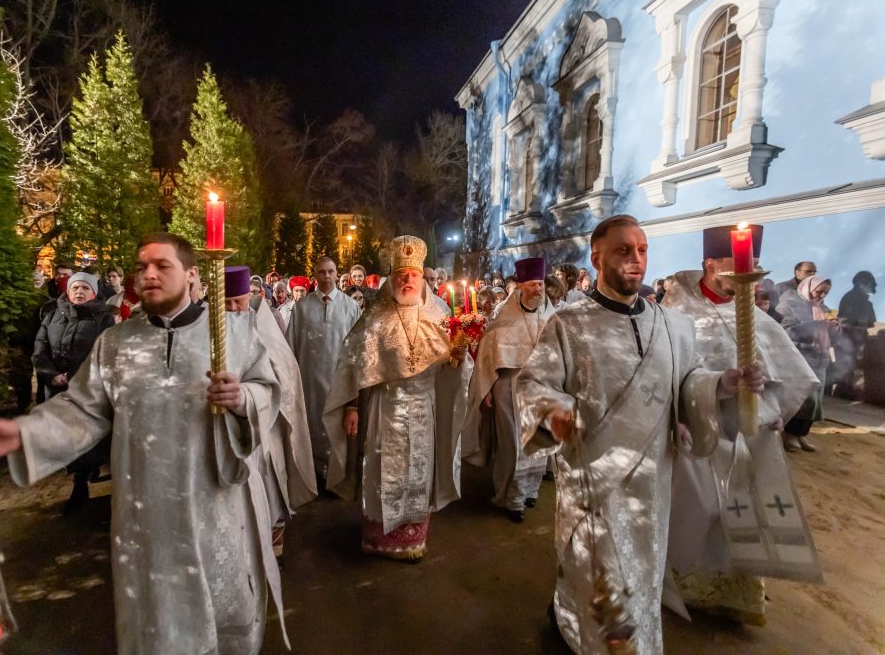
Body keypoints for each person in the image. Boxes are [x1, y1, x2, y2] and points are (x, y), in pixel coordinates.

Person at [0, 233, 288, 655]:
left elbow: (267, 388)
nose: (149, 274)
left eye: (162, 266)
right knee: (158, 624)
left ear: (192, 275)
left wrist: (242, 397)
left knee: (222, 607)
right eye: (142, 267)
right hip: (146, 514)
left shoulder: (234, 335)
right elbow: (81, 409)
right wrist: (24, 433)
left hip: (216, 504)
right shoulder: (116, 344)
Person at [516, 214, 763, 654]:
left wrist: (723, 384)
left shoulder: (672, 325)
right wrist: (554, 412)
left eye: (642, 250)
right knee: (598, 573)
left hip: (652, 484)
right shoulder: (568, 324)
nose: (636, 259)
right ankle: (584, 634)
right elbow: (534, 383)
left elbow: (688, 381)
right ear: (596, 258)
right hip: (592, 480)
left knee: (641, 572)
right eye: (623, 250)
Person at [661, 225, 822, 626]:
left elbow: (783, 370)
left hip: (747, 430)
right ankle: (690, 586)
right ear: (710, 265)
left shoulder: (754, 315)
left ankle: (736, 591)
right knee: (700, 508)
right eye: (735, 268)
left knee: (743, 508)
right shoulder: (676, 312)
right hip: (699, 427)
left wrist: (773, 408)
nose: (746, 277)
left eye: (751, 269)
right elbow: (665, 375)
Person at [324, 236, 460, 562]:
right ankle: (378, 538)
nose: (407, 280)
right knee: (383, 468)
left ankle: (413, 538)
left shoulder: (441, 313)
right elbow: (355, 364)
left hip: (424, 406)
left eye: (413, 274)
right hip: (384, 407)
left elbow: (452, 366)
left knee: (418, 470)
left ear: (422, 277)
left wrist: (458, 356)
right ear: (392, 276)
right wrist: (352, 407)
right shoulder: (375, 316)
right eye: (401, 274)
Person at [225, 267, 317, 561]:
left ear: (250, 299)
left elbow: (285, 373)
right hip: (225, 431)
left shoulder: (264, 325)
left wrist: (256, 395)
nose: (233, 309)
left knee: (268, 483)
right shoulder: (211, 330)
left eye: (238, 302)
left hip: (266, 424)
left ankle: (274, 545)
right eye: (226, 303)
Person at [464, 257, 555, 523]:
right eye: (533, 284)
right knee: (513, 444)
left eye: (541, 284)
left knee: (540, 443)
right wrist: (487, 390)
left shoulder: (549, 314)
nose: (538, 289)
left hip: (541, 386)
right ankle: (511, 497)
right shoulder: (504, 316)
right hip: (509, 386)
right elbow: (487, 356)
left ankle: (530, 490)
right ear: (521, 286)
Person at [33, 271, 115, 514]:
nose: (79, 291)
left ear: (94, 292)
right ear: (68, 291)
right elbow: (40, 349)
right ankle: (80, 477)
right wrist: (51, 374)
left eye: (85, 288)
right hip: (58, 389)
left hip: (88, 390)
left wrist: (82, 376)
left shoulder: (103, 318)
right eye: (75, 287)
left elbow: (106, 352)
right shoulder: (52, 316)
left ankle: (84, 484)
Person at [287, 256, 362, 482]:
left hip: (340, 384)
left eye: (331, 271)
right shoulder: (301, 308)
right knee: (310, 427)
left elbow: (358, 349)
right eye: (322, 272)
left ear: (337, 273)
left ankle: (337, 479)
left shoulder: (351, 307)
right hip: (309, 383)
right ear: (315, 275)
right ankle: (313, 477)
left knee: (337, 431)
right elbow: (291, 348)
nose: (327, 276)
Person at [778, 275, 835, 452]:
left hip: (819, 358)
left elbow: (827, 333)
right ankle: (788, 434)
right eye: (819, 291)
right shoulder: (789, 304)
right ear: (808, 287)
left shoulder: (823, 308)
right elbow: (785, 331)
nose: (822, 296)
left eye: (825, 293)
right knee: (803, 397)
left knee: (816, 399)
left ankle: (800, 433)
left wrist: (834, 328)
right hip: (799, 357)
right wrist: (815, 326)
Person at [836, 270, 877, 399]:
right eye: (870, 283)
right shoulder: (851, 298)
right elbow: (845, 320)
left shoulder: (865, 301)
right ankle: (844, 391)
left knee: (853, 367)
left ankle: (847, 390)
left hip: (858, 339)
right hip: (849, 339)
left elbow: (871, 322)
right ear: (862, 283)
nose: (873, 286)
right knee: (848, 366)